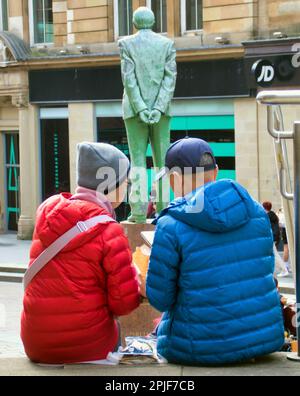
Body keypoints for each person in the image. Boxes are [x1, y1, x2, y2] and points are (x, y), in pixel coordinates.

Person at [146, 137, 284, 366]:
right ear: (216, 171)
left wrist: (145, 282)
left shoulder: (170, 224)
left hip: (198, 348)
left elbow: (161, 299)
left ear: (174, 180)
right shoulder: (257, 213)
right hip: (263, 339)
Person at [21, 142, 140, 365]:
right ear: (110, 184)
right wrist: (137, 279)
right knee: (116, 332)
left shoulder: (45, 213)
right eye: (126, 181)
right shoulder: (108, 229)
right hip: (87, 347)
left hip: (35, 344)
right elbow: (123, 304)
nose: (127, 186)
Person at [263, 202, 289, 278]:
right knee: (272, 254)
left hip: (271, 237)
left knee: (274, 255)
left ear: (264, 208)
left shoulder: (268, 216)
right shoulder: (272, 215)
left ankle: (284, 269)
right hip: (274, 236)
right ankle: (282, 269)